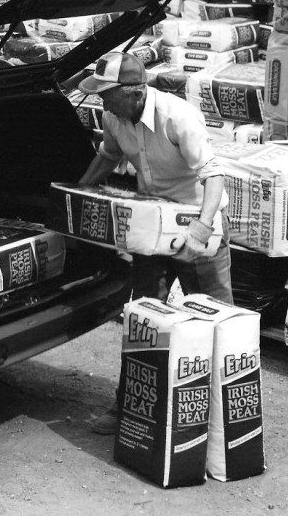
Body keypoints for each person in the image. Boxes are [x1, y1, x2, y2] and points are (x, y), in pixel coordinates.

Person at [75, 51, 232, 435]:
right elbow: (109, 156)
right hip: (153, 226)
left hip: (198, 226)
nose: (101, 101)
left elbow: (214, 177)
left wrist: (200, 229)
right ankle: (129, 405)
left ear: (135, 92)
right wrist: (78, 193)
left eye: (106, 94)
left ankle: (218, 420)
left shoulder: (178, 118)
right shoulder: (114, 117)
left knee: (217, 324)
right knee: (145, 320)